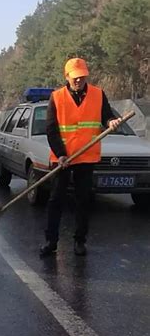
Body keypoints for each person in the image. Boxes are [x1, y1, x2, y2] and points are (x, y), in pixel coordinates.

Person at [40, 58, 121, 258]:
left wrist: (112, 122)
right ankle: (51, 242)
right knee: (56, 200)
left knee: (83, 200)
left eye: (82, 76)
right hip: (62, 159)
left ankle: (79, 241)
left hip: (86, 157)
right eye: (75, 77)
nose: (79, 80)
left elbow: (106, 116)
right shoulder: (56, 97)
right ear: (66, 77)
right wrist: (60, 154)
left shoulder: (98, 94)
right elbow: (51, 130)